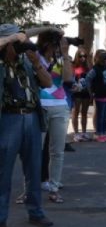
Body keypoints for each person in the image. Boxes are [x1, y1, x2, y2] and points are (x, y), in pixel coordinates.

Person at [0, 24, 55, 227]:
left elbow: (48, 83)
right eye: (16, 44)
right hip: (8, 120)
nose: (20, 47)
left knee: (34, 168)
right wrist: (12, 38)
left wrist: (36, 63)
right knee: (3, 172)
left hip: (31, 118)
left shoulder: (26, 62)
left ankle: (36, 212)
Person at [35, 30, 73, 203]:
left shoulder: (61, 58)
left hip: (60, 107)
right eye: (59, 42)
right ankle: (30, 189)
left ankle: (54, 187)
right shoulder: (34, 56)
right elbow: (24, 35)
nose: (62, 44)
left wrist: (65, 55)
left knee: (57, 151)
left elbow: (67, 78)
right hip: (39, 107)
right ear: (48, 43)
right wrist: (43, 28)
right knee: (34, 151)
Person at [86, 51, 106, 142]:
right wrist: (91, 91)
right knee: (100, 115)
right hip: (99, 95)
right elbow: (88, 79)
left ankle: (104, 133)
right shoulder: (95, 69)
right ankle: (99, 133)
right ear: (103, 60)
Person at [70, 47, 91, 142]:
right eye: (81, 56)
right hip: (77, 92)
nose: (83, 58)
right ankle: (76, 133)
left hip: (86, 92)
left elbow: (90, 80)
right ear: (77, 56)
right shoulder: (73, 66)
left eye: (85, 56)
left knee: (84, 113)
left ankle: (84, 132)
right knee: (76, 112)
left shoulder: (87, 67)